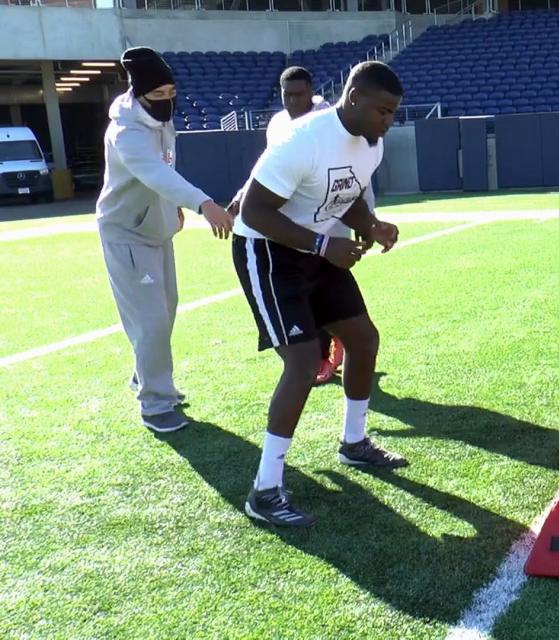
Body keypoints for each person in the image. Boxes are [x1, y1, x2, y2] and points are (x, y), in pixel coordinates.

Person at [233, 61, 406, 528]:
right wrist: (322, 244)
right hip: (267, 250)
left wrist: (370, 224)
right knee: (304, 362)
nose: (388, 121)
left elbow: (345, 192)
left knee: (363, 340)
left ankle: (354, 444)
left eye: (393, 113)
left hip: (317, 248)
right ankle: (265, 490)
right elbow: (253, 210)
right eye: (383, 112)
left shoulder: (371, 143)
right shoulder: (301, 139)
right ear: (353, 99)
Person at [96, 47, 234, 433]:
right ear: (139, 93)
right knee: (151, 319)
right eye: (158, 96)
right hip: (126, 233)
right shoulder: (126, 131)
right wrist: (203, 204)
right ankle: (156, 405)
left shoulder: (159, 116)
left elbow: (167, 166)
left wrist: (170, 209)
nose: (167, 103)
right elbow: (155, 173)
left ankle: (145, 377)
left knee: (166, 309)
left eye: (172, 94)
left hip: (156, 229)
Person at [228, 65, 376, 385]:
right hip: (291, 225)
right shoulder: (279, 124)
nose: (293, 101)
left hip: (330, 220)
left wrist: (370, 222)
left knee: (333, 300)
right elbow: (267, 168)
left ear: (312, 92)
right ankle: (321, 353)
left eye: (300, 94)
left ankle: (332, 347)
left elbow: (354, 184)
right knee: (305, 315)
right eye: (287, 95)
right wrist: (244, 193)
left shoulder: (331, 120)